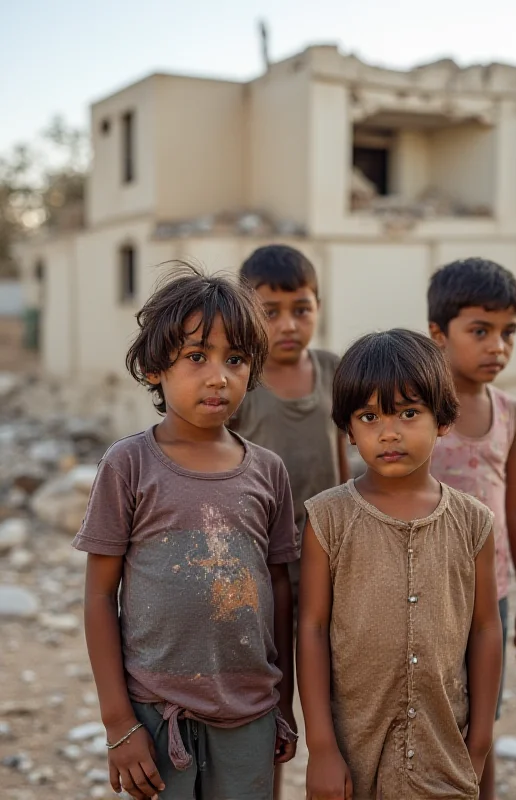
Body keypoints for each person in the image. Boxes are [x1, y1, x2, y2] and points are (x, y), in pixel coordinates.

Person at [73, 265, 298, 800]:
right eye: (197, 357)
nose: (218, 376)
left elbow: (281, 589)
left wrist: (283, 704)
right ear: (155, 368)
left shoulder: (268, 471)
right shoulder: (128, 465)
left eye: (235, 359)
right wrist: (117, 722)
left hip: (249, 713)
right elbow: (100, 596)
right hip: (154, 717)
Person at [298, 329, 503, 800]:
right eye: (369, 416)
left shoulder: (473, 522)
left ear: (443, 420)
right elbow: (310, 629)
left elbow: (487, 629)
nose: (389, 433)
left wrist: (481, 740)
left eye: (408, 413)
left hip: (442, 746)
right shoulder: (327, 519)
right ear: (349, 430)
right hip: (353, 749)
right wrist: (322, 747)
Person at [428, 257, 516, 800]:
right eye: (481, 331)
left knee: (481, 730)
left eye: (509, 332)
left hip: (488, 604)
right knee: (421, 723)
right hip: (421, 597)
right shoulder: (416, 410)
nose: (497, 346)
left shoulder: (511, 412)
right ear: (438, 334)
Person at [231, 244, 350, 581]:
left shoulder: (333, 371)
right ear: (247, 314)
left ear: (318, 308)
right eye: (270, 313)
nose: (288, 325)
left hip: (324, 542)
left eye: (301, 310)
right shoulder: (240, 380)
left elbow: (339, 453)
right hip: (260, 550)